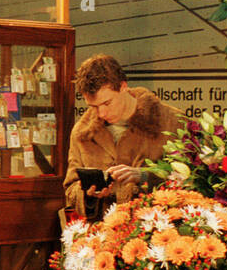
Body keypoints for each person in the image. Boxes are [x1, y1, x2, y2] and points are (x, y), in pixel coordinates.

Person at [63, 54, 181, 218]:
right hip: (102, 235)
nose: (102, 113)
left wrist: (145, 175)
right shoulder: (82, 133)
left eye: (107, 103)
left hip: (158, 233)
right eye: (93, 106)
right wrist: (87, 194)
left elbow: (194, 181)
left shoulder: (172, 122)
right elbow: (70, 190)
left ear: (123, 87)